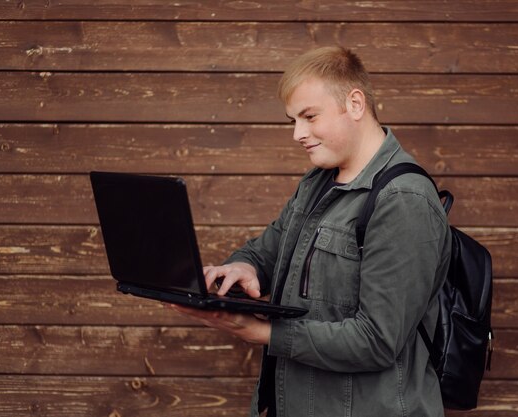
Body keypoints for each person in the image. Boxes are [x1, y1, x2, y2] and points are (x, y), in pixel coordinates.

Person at [171, 46, 452, 417]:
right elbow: (268, 249)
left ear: (355, 104)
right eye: (293, 121)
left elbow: (378, 341)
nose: (298, 134)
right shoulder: (319, 180)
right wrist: (244, 268)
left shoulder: (403, 199)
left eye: (309, 116)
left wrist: (265, 333)